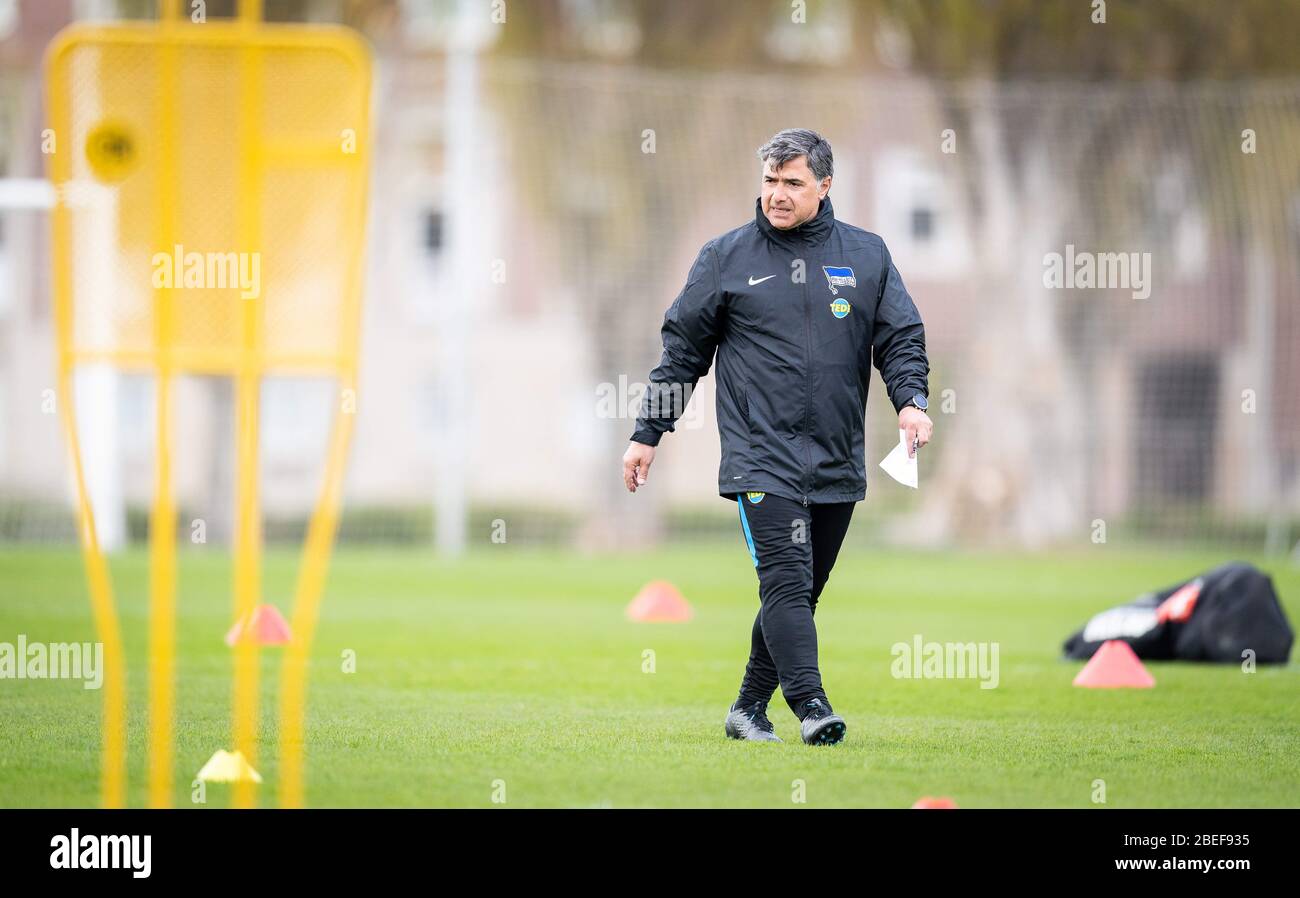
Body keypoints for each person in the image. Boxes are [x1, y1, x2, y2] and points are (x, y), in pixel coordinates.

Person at [622, 128, 932, 745]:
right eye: (770, 181)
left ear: (825, 184)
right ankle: (812, 705)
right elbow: (681, 353)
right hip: (760, 459)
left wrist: (912, 401)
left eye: (792, 182)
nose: (777, 194)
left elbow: (899, 337)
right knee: (787, 582)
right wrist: (646, 433)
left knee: (797, 595)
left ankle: (746, 709)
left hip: (837, 459)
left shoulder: (867, 256)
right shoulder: (725, 259)